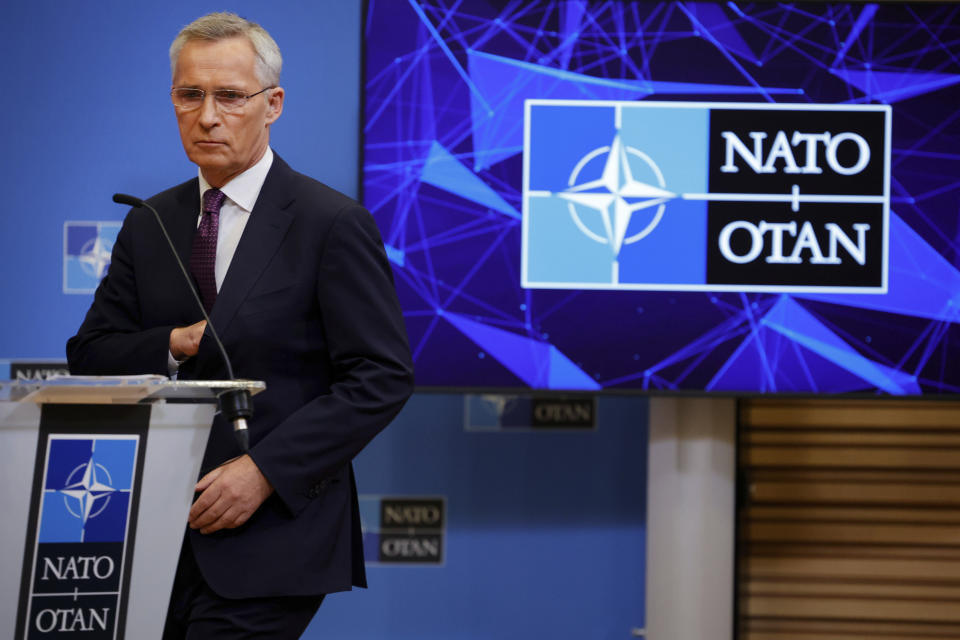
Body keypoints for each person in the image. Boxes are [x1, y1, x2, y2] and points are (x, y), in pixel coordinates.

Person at [66, 12, 414, 639]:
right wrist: (176, 343)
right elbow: (91, 354)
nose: (206, 115)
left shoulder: (329, 222)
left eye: (229, 95)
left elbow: (381, 377)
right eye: (189, 95)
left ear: (272, 103)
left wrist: (266, 471)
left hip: (274, 537)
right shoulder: (149, 221)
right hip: (148, 542)